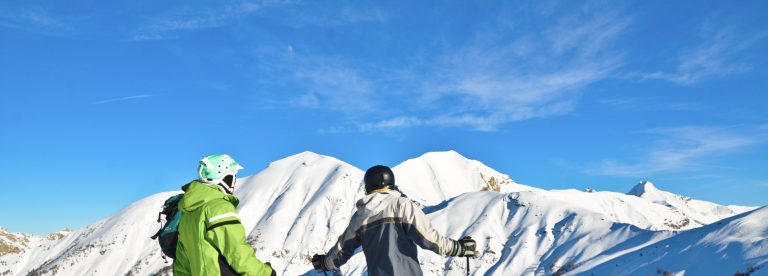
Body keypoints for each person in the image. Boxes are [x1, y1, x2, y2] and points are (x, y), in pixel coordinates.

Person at [312, 165, 477, 275]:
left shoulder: (360, 216)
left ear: (368, 187)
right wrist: (459, 248)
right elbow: (429, 239)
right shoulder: (402, 205)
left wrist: (324, 263)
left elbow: (340, 252)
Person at [174, 154, 276, 276]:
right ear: (223, 177)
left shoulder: (187, 214)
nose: (234, 181)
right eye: (233, 176)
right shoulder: (219, 208)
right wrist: (265, 273)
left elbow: (182, 263)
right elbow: (237, 252)